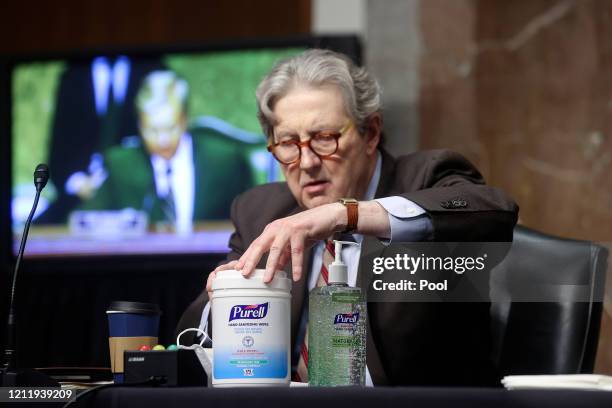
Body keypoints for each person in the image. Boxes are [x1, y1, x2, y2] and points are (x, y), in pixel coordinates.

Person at [177, 49, 519, 385]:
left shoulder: (426, 176)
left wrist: (346, 214)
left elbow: (494, 211)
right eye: (288, 144)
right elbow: (186, 345)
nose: (307, 162)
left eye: (325, 138)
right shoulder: (262, 212)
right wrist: (228, 297)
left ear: (369, 133)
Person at [80, 70, 256, 234]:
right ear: (140, 125)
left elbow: (253, 221)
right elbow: (83, 223)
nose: (162, 140)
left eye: (171, 128)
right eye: (152, 130)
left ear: (185, 120)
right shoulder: (120, 165)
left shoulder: (225, 162)